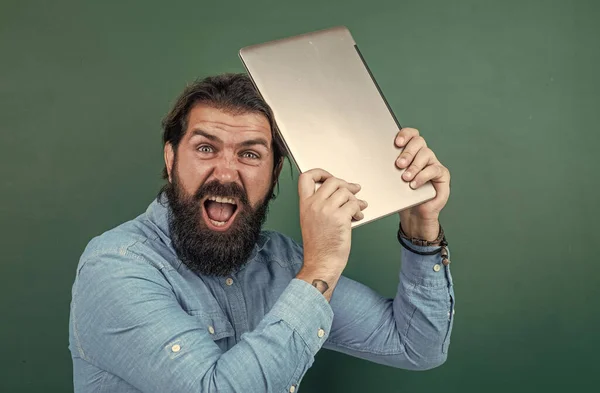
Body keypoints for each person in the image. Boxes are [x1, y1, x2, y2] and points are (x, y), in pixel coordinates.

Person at [68, 73, 454, 393]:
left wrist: (420, 228)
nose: (224, 172)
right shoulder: (114, 268)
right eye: (205, 148)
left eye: (250, 154)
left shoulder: (282, 263)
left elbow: (417, 347)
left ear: (274, 174)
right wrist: (320, 268)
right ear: (171, 159)